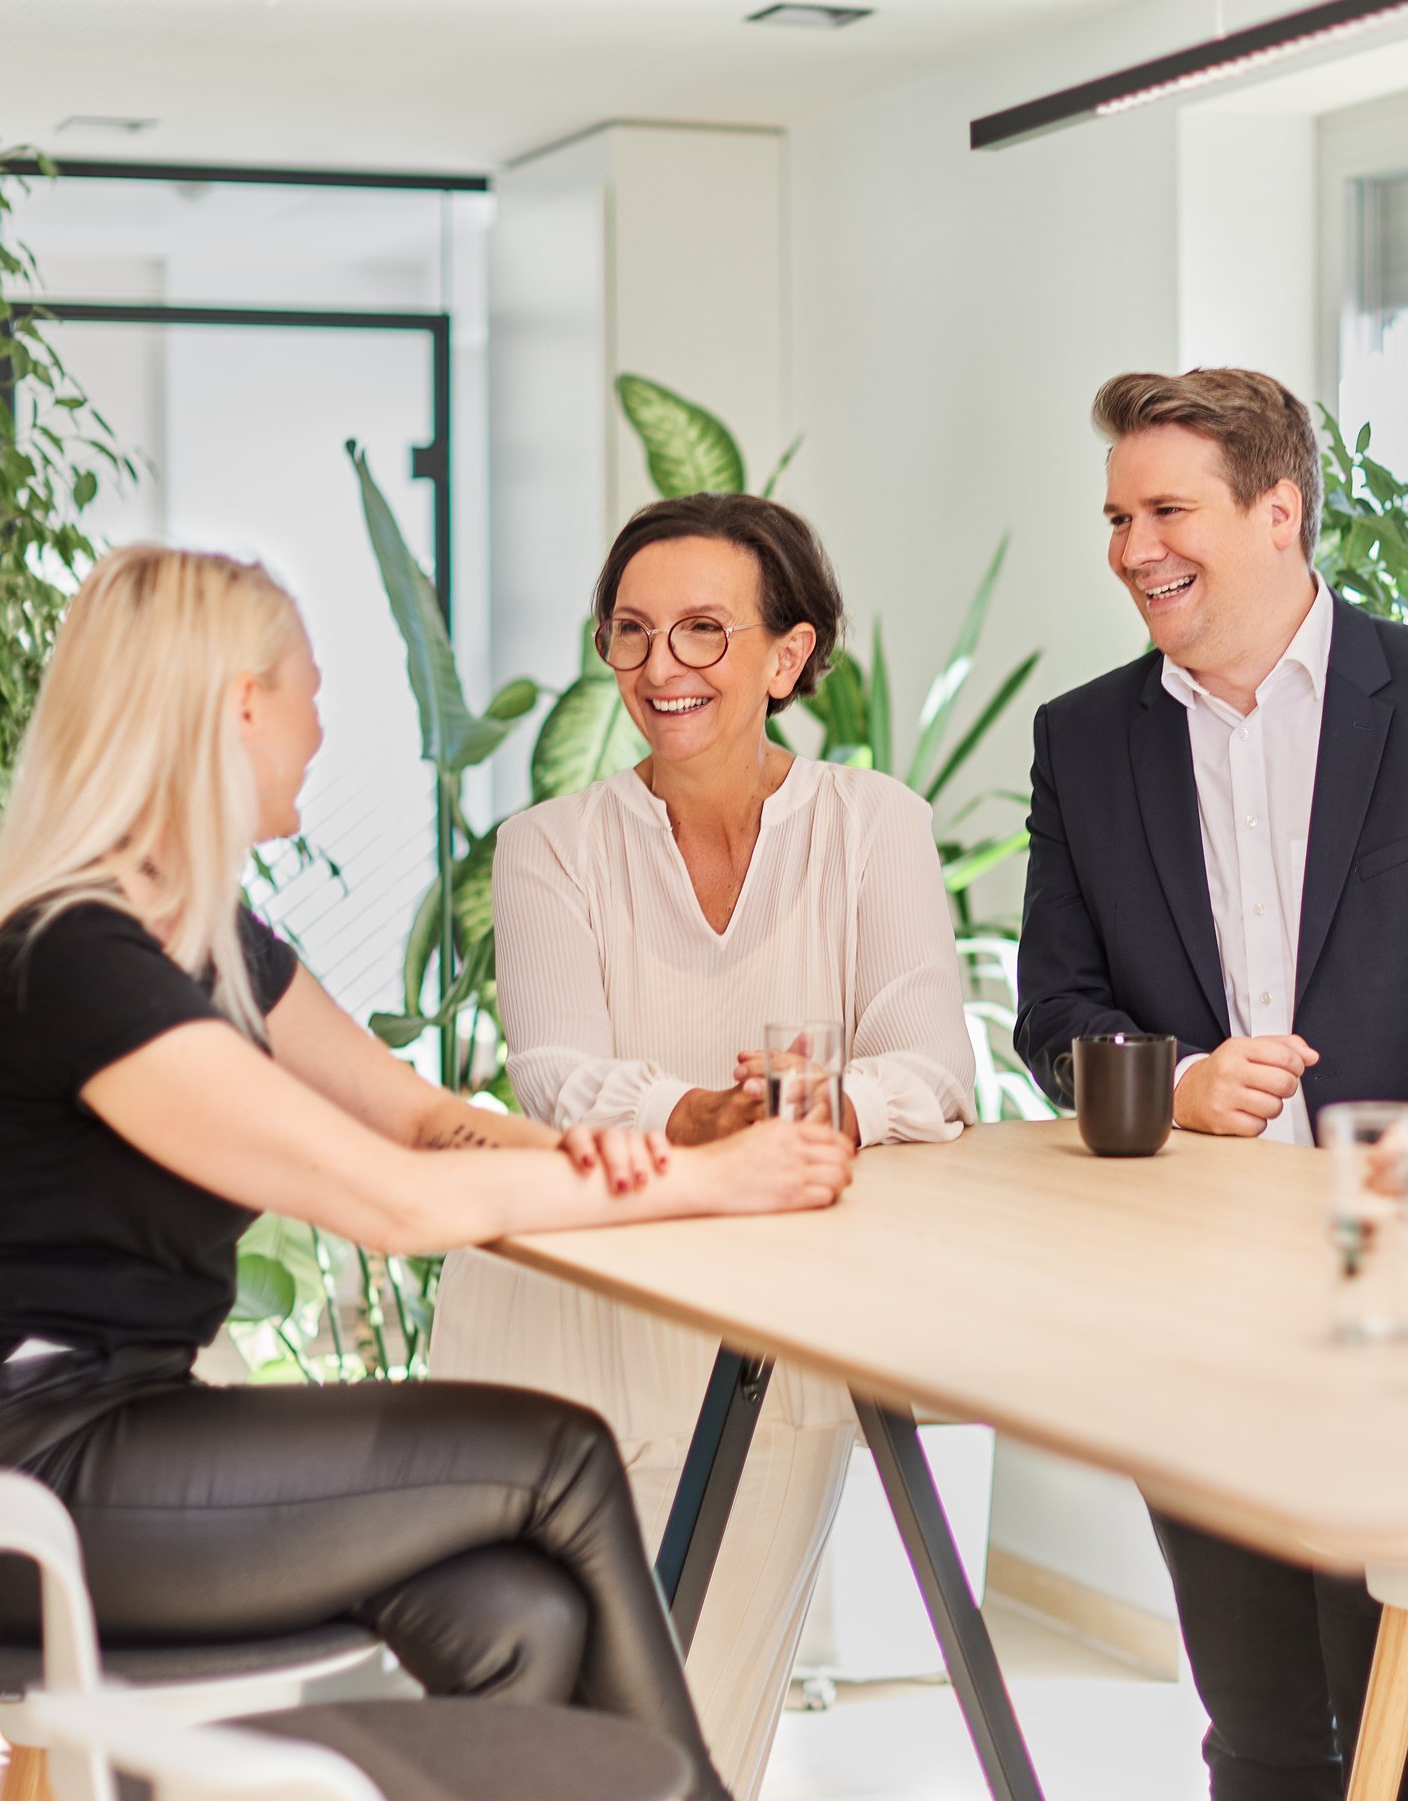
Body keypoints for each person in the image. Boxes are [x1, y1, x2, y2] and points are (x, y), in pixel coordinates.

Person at [0, 548, 860, 1800]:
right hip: (10, 1475)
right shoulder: (79, 955)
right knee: (556, 1450)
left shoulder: (207, 937)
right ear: (238, 708)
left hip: (116, 1431)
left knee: (517, 1616)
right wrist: (712, 1183)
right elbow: (392, 1206)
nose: (323, 730)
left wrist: (627, 1153)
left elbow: (420, 1121)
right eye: (311, 693)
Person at [1016, 368, 1408, 1801]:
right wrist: (1170, 1083)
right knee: (1255, 1723)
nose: (1132, 549)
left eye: (1166, 510)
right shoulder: (1084, 739)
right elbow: (1051, 1009)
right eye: (1115, 517)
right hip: (1188, 1296)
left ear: (1279, 510)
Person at [431, 493, 975, 1799]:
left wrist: (812, 1110)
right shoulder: (549, 847)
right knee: (515, 1724)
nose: (660, 667)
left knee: (701, 1727)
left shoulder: (873, 826)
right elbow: (555, 1072)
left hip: (760, 1346)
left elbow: (938, 1070)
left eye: (701, 632)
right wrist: (694, 1118)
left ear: (787, 657)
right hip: (557, 1320)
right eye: (631, 633)